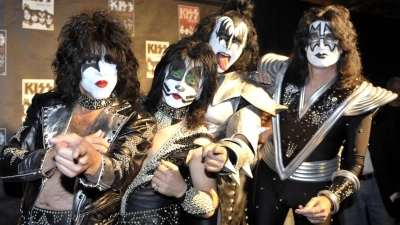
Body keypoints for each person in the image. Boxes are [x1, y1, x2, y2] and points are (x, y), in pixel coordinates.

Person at [0, 10, 156, 225]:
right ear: (73, 66)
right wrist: (53, 156)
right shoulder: (45, 104)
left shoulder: (136, 119)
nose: (102, 71)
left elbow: (118, 171)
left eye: (109, 61)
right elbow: (7, 161)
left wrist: (91, 162)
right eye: (91, 61)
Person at [254, 5, 398, 225]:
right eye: (314, 36)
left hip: (316, 191)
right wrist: (258, 84)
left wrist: (331, 199)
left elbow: (354, 164)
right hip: (268, 180)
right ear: (303, 42)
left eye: (330, 37)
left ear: (344, 45)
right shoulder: (280, 73)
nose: (321, 45)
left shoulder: (358, 95)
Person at [192, 0, 286, 224]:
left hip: (218, 182)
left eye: (237, 41)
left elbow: (244, 142)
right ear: (207, 35)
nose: (228, 47)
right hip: (171, 178)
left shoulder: (245, 86)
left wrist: (227, 154)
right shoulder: (185, 71)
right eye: (223, 37)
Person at [117, 37, 221, 224]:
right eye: (176, 73)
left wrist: (181, 191)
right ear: (163, 72)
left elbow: (210, 206)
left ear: (200, 90)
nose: (181, 84)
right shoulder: (131, 111)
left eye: (191, 80)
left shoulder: (198, 140)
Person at [337, 109, 400, 225]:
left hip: (379, 182)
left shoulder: (382, 116)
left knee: (385, 221)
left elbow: (393, 152)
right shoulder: (337, 118)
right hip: (347, 184)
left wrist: (396, 185)